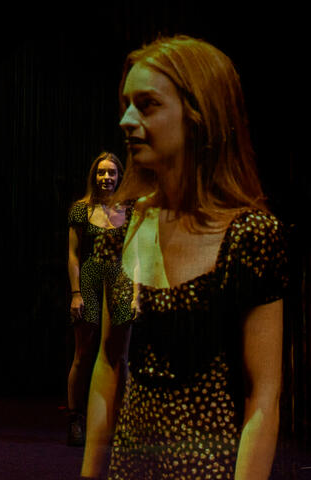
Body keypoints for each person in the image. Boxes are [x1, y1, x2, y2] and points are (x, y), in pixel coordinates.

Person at [81, 35, 287, 479]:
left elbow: (263, 398)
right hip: (131, 465)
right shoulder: (123, 229)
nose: (126, 120)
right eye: (126, 105)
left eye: (147, 105)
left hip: (209, 468)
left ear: (198, 116)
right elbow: (108, 364)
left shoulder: (250, 236)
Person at [66, 152, 129, 446]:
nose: (106, 178)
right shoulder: (82, 209)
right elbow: (73, 254)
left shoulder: (129, 209)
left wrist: (136, 293)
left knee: (120, 357)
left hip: (120, 282)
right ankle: (75, 418)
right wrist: (75, 293)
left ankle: (118, 423)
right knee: (83, 354)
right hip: (90, 282)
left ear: (119, 177)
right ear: (94, 176)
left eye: (111, 173)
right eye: (102, 173)